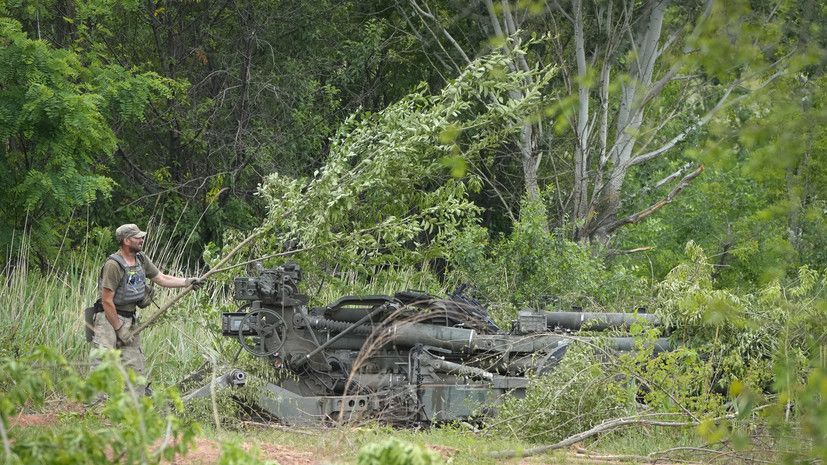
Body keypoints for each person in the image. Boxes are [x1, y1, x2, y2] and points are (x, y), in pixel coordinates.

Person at [89, 223, 203, 393]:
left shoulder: (141, 259)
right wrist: (119, 329)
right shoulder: (113, 265)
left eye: (141, 236)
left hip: (130, 318)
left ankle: (134, 406)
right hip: (108, 319)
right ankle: (93, 408)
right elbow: (106, 301)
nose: (142, 239)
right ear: (126, 241)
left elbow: (161, 278)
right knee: (101, 363)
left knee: (135, 366)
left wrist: (187, 282)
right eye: (138, 237)